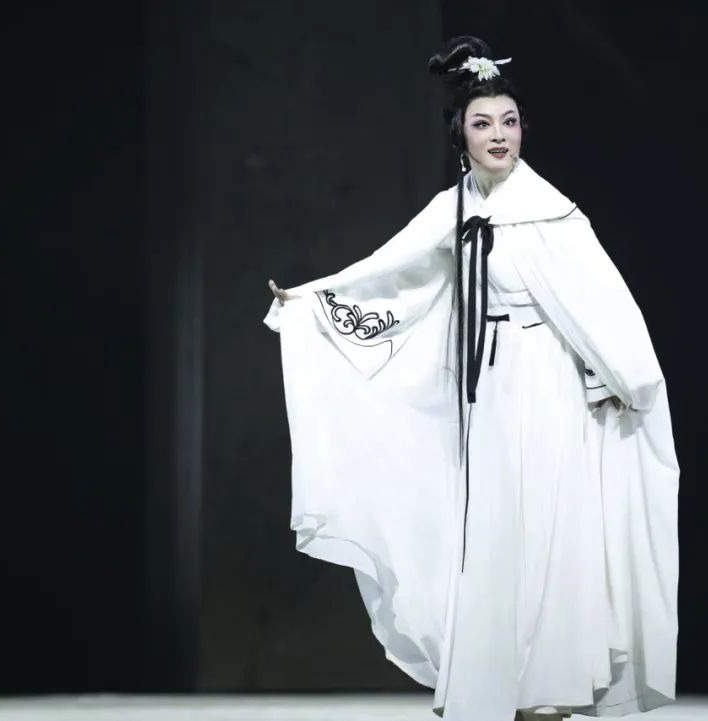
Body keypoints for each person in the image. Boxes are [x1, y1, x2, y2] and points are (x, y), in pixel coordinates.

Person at [265, 36, 679, 721]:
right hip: (487, 389)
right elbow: (391, 273)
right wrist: (311, 301)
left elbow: (604, 306)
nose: (498, 135)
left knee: (548, 527)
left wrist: (620, 379)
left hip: (550, 386)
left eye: (509, 121)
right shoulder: (452, 208)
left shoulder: (553, 212)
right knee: (487, 532)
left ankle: (548, 688)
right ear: (460, 133)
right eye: (483, 123)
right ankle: (488, 683)